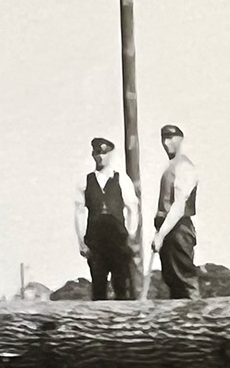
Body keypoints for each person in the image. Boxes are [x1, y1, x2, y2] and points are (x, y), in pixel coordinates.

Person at [73, 136, 139, 301]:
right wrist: (81, 242)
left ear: (110, 154)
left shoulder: (121, 179)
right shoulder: (85, 181)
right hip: (96, 243)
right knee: (98, 286)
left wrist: (131, 235)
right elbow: (79, 212)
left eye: (104, 153)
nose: (100, 156)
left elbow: (133, 208)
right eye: (97, 153)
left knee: (122, 286)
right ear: (93, 155)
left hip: (118, 241)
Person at [150, 124, 200, 299]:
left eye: (171, 138)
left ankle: (196, 321)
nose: (166, 143)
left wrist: (161, 234)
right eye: (163, 138)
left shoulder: (185, 167)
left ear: (181, 139)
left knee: (185, 280)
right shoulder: (170, 167)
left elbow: (179, 206)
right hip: (168, 229)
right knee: (172, 281)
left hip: (179, 229)